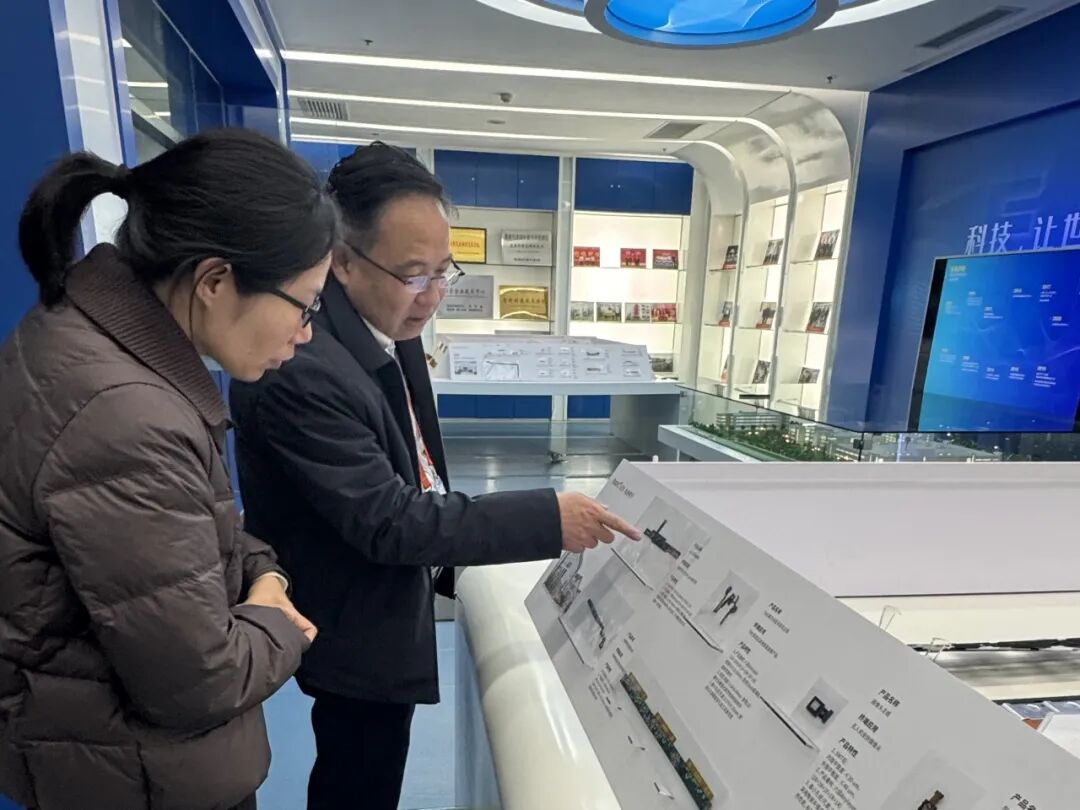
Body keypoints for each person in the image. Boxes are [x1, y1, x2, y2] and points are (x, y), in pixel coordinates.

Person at [229, 143, 640, 810]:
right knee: (357, 776)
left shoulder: (386, 322)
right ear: (343, 259)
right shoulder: (302, 367)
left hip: (386, 601)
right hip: (352, 619)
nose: (434, 296)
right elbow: (388, 519)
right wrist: (547, 517)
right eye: (414, 275)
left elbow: (416, 463)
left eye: (444, 271)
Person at [0, 128, 338, 810]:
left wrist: (262, 572)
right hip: (136, 781)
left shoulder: (81, 335)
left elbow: (183, 533)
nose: (306, 332)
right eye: (304, 305)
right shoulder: (126, 415)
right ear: (214, 281)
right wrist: (280, 623)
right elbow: (199, 684)